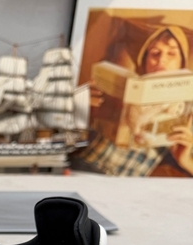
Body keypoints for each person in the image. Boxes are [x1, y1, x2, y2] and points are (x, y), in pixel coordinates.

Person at [77, 25, 193, 177]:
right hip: (85, 163)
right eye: (155, 53)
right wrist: (78, 105)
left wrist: (186, 161)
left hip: (124, 179)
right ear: (145, 61)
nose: (161, 59)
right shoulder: (124, 85)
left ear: (181, 63)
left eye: (171, 53)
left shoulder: (187, 107)